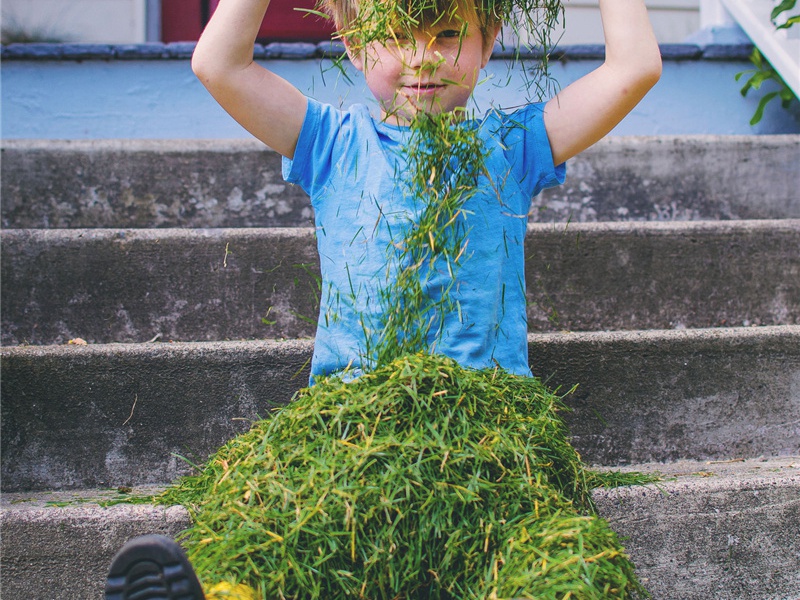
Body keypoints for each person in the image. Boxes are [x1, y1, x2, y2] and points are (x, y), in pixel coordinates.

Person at [105, 0, 661, 597]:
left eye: (448, 34)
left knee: (554, 560)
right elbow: (218, 64)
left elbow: (634, 69)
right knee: (284, 529)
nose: (422, 57)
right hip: (349, 427)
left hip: (490, 435)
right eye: (394, 35)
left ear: (489, 39)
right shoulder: (330, 143)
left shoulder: (516, 146)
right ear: (352, 41)